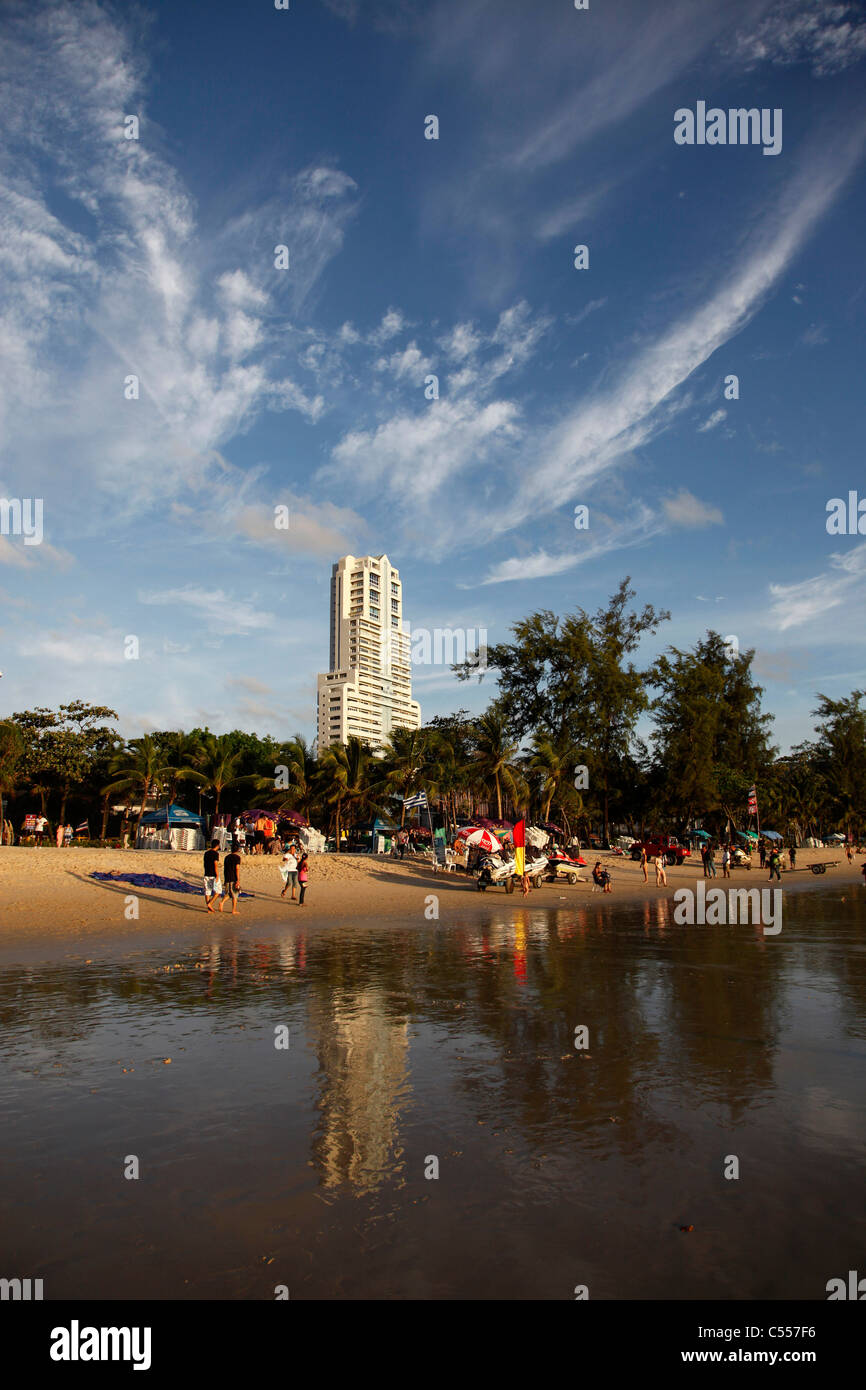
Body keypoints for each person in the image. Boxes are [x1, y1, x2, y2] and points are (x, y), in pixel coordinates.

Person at [203, 839, 222, 913]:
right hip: (213, 874)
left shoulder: (206, 853)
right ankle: (210, 903)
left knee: (208, 891)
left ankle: (209, 908)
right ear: (217, 846)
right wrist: (217, 875)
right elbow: (215, 865)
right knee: (218, 891)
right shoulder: (215, 853)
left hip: (206, 873)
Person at [223, 842, 241, 914]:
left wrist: (225, 879)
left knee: (228, 894)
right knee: (235, 895)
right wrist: (238, 880)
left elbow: (225, 868)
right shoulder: (237, 858)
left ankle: (222, 902)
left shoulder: (226, 857)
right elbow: (237, 869)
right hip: (233, 878)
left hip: (227, 877)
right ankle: (233, 910)